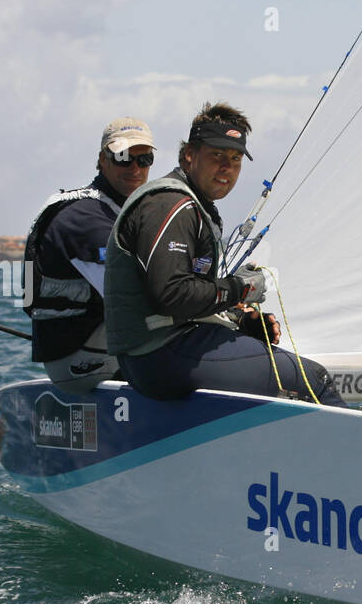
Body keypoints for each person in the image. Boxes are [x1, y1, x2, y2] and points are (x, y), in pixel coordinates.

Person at [102, 102, 345, 405]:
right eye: (216, 156)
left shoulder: (191, 204)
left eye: (235, 159)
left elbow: (185, 298)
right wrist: (239, 288)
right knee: (314, 381)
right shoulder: (171, 205)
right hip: (159, 356)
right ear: (189, 155)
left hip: (160, 354)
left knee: (282, 376)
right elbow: (173, 294)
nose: (226, 167)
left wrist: (241, 322)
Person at [22, 117, 156, 393]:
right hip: (79, 364)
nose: (134, 168)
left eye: (144, 160)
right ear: (102, 159)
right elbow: (132, 299)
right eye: (123, 157)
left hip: (92, 345)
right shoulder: (85, 217)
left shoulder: (116, 210)